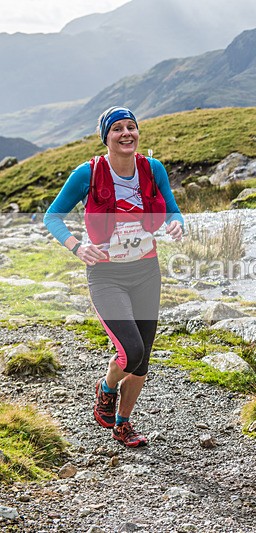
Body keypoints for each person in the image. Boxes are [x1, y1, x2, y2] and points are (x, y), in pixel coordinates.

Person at [43, 106, 184, 447]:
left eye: (131, 127)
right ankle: (106, 388)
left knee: (143, 359)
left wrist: (176, 223)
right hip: (106, 274)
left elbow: (171, 208)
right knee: (130, 351)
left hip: (146, 271)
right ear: (106, 137)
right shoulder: (88, 173)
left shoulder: (153, 169)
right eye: (117, 129)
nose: (126, 134)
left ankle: (123, 423)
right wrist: (77, 247)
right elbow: (52, 216)